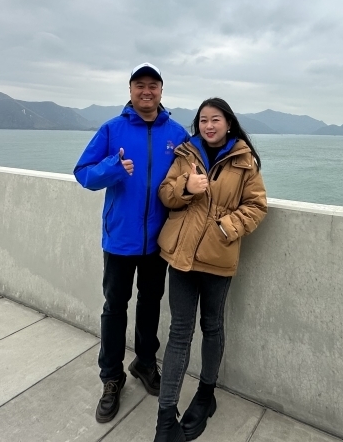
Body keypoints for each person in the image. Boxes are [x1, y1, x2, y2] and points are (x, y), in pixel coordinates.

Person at [74, 63, 190, 424]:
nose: (146, 91)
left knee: (151, 303)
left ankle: (144, 362)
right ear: (130, 90)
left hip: (159, 240)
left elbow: (194, 171)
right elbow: (83, 173)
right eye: (140, 85)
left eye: (153, 85)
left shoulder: (177, 133)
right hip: (120, 239)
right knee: (115, 307)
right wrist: (112, 169)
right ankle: (111, 377)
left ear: (161, 91)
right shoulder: (112, 129)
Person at [152, 98, 267, 442]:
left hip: (217, 258)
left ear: (228, 123)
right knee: (179, 332)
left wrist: (224, 228)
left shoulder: (244, 161)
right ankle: (165, 420)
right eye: (203, 120)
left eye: (215, 119)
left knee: (212, 326)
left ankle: (206, 394)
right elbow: (165, 194)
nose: (209, 126)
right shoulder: (185, 153)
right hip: (182, 256)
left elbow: (257, 205)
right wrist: (186, 188)